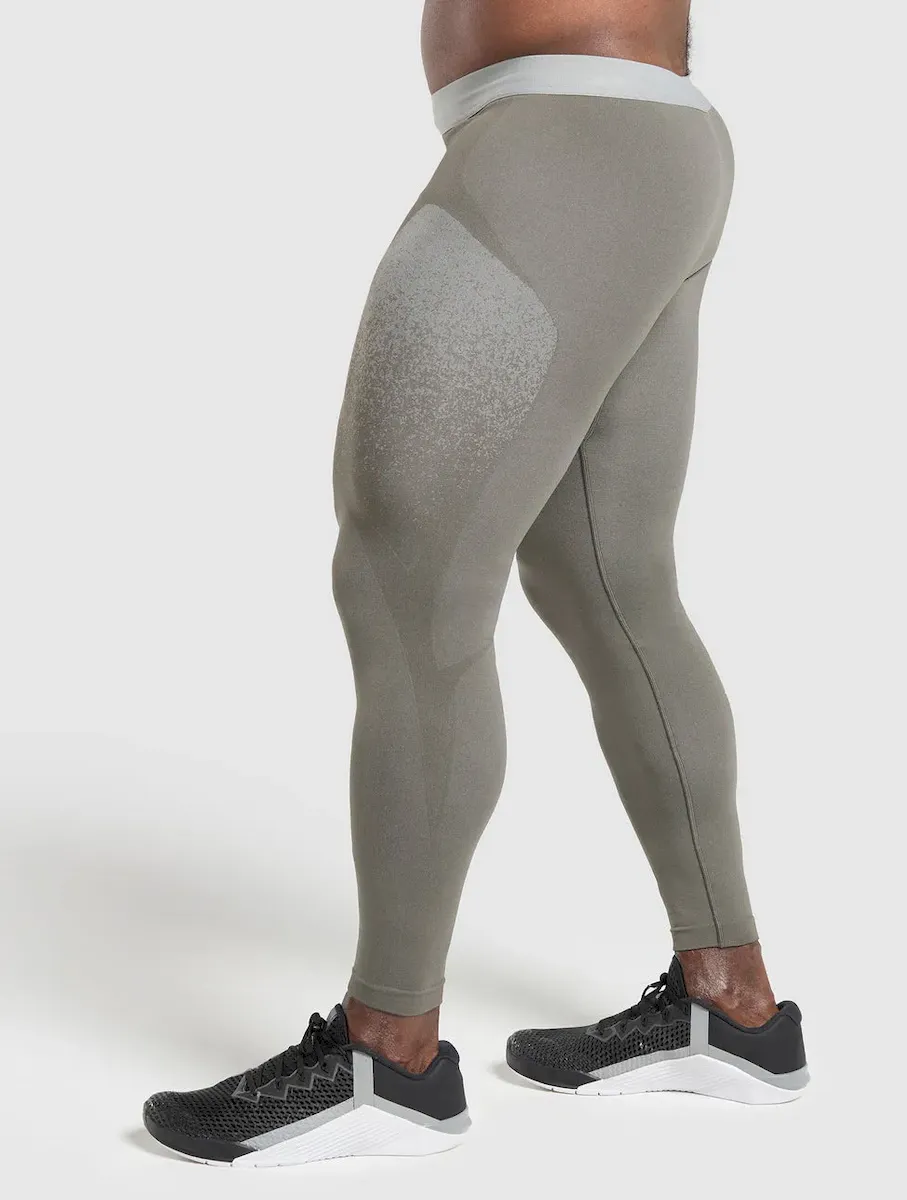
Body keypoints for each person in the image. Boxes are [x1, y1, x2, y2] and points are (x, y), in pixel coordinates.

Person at [142, 0, 808, 1166]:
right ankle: (730, 1004)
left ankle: (387, 1055)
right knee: (609, 577)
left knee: (406, 575)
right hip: (647, 141)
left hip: (559, 145)